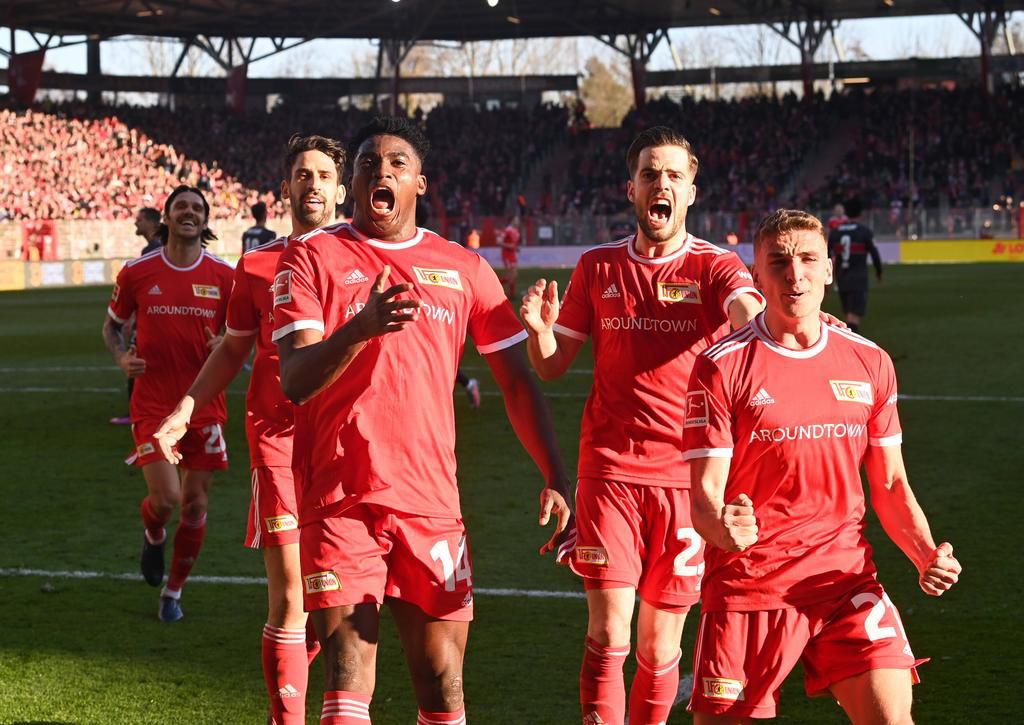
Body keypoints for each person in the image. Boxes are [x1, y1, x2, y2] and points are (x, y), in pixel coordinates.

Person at [271, 116, 573, 725]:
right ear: (353, 183)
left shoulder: (463, 268)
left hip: (431, 502)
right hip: (340, 495)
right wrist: (359, 329)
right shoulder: (310, 256)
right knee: (347, 666)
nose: (380, 171)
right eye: (367, 163)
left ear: (420, 183)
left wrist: (556, 476)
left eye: (397, 163)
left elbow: (517, 381)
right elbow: (295, 379)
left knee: (442, 682)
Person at [520, 126, 765, 725]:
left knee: (659, 648)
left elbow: (746, 309)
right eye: (650, 174)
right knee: (609, 633)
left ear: (691, 192)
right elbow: (551, 366)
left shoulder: (714, 266)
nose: (662, 184)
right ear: (631, 188)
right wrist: (541, 333)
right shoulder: (597, 266)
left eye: (674, 175)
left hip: (689, 481)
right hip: (609, 472)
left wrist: (767, 319)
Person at [683, 209, 961, 723]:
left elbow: (890, 483)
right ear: (757, 274)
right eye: (779, 261)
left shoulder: (870, 362)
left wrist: (924, 554)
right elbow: (703, 498)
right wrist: (723, 526)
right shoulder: (720, 366)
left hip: (843, 583)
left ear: (829, 269)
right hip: (751, 587)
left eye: (809, 259)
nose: (795, 274)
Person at [152, 135, 346, 724]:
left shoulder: (365, 258)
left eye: (324, 176)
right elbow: (234, 347)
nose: (312, 184)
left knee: (331, 601)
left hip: (348, 447)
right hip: (278, 442)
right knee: (290, 597)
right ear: (285, 188)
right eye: (302, 175)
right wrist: (187, 407)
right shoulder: (258, 264)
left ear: (342, 190)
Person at [102, 185, 234, 623]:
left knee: (195, 505)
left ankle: (173, 592)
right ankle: (154, 532)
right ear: (167, 217)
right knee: (167, 499)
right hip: (153, 406)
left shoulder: (225, 275)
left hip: (204, 405)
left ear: (205, 219)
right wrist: (122, 358)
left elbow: (243, 334)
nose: (189, 212)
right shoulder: (137, 272)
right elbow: (112, 327)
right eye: (181, 206)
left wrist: (226, 343)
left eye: (197, 208)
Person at [111, 207, 166, 426]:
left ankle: (138, 412)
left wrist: (133, 317)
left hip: (153, 317)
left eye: (139, 219)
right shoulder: (158, 246)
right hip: (158, 315)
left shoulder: (153, 249)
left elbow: (149, 287)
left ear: (152, 222)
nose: (136, 223)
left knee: (137, 361)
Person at [828, 198, 882, 333]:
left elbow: (826, 255)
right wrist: (879, 272)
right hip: (858, 278)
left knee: (848, 314)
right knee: (853, 317)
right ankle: (851, 343)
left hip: (842, 278)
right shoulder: (864, 232)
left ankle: (848, 339)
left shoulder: (836, 232)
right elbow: (874, 254)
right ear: (861, 213)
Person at [499, 215, 521, 298]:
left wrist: (515, 248)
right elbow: (499, 241)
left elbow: (514, 244)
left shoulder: (516, 231)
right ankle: (496, 285)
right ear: (512, 221)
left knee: (514, 275)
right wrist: (509, 246)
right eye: (516, 220)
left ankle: (512, 294)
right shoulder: (507, 230)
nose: (518, 221)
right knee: (510, 275)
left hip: (513, 254)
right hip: (507, 255)